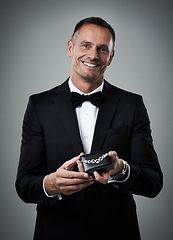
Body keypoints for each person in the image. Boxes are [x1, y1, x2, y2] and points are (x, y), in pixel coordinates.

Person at [16, 17, 163, 240]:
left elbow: (153, 183)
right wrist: (52, 183)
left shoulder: (132, 105)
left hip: (117, 233)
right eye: (86, 45)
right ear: (70, 48)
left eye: (102, 49)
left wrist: (120, 170)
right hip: (56, 232)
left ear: (111, 57)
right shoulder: (39, 105)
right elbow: (24, 184)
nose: (93, 55)